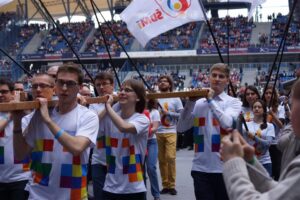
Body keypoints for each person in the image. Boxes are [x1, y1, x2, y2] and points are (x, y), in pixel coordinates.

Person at [12, 63, 99, 199]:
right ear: (55, 86)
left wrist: (48, 120)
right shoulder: (37, 116)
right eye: (60, 83)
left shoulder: (88, 116)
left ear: (80, 87)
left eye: (70, 83)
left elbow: (76, 147)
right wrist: (17, 122)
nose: (64, 88)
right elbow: (20, 154)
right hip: (38, 194)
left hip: (72, 194)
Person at [220, 79, 300, 200]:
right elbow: (277, 191)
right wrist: (251, 161)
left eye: (292, 106)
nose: (290, 114)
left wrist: (233, 162)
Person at [177, 63, 242, 200]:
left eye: (221, 76)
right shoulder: (198, 103)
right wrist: (190, 103)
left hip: (225, 168)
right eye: (214, 75)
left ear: (227, 80)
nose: (217, 79)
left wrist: (211, 100)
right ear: (209, 77)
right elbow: (181, 128)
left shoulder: (234, 102)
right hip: (200, 168)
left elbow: (227, 123)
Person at [102, 79, 150, 200]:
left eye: (127, 90)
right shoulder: (109, 117)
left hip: (133, 187)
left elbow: (123, 127)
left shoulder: (142, 119)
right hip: (110, 186)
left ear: (138, 98)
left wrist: (108, 106)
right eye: (121, 90)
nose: (122, 92)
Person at [0, 79, 31, 200]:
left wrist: (20, 110)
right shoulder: (12, 114)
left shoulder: (25, 114)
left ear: (13, 93)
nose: (0, 95)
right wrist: (10, 115)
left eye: (4, 92)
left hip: (21, 177)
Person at [156, 75, 183, 195]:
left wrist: (169, 113)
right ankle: (165, 185)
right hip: (157, 132)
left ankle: (172, 185)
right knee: (161, 160)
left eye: (165, 81)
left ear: (170, 84)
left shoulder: (175, 98)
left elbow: (182, 115)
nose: (162, 83)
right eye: (160, 81)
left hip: (171, 131)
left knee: (170, 158)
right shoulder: (155, 97)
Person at [90, 72, 115, 200]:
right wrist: (108, 106)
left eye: (104, 84)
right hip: (98, 158)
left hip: (117, 157)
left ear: (112, 85)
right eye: (98, 84)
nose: (101, 87)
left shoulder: (121, 101)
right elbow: (93, 122)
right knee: (99, 194)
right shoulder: (93, 104)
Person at [243, 99, 275, 176]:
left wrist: (254, 137)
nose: (256, 109)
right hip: (250, 162)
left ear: (264, 110)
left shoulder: (269, 126)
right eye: (255, 107)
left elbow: (267, 144)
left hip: (265, 162)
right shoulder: (245, 125)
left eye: (259, 107)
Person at [263, 85, 285, 180]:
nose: (268, 95)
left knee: (277, 169)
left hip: (276, 143)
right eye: (266, 93)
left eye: (270, 93)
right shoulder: (260, 107)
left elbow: (281, 126)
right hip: (263, 142)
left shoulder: (280, 108)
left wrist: (272, 114)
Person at [145, 99, 161, 200]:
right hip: (139, 143)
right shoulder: (135, 110)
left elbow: (155, 128)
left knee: (151, 168)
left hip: (151, 142)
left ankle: (156, 195)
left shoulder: (154, 112)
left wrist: (143, 130)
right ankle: (141, 194)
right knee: (140, 170)